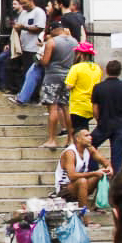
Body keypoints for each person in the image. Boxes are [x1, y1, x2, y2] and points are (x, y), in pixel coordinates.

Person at [88, 60, 122, 175]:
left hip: (104, 124)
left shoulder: (98, 87)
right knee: (117, 159)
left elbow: (95, 109)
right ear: (120, 71)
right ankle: (115, 180)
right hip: (121, 125)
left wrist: (99, 120)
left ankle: (95, 171)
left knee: (89, 146)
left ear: (106, 71)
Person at [37, 20, 78, 148]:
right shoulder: (74, 41)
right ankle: (71, 139)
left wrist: (39, 58)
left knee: (53, 108)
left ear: (53, 30)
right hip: (68, 76)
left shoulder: (52, 42)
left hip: (52, 76)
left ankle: (52, 140)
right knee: (66, 107)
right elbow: (76, 59)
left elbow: (45, 61)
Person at [56, 128, 109, 212]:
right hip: (65, 189)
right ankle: (84, 215)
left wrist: (109, 168)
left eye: (90, 135)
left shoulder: (89, 149)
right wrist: (94, 173)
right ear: (78, 139)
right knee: (82, 181)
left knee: (103, 173)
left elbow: (105, 162)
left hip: (81, 185)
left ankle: (96, 206)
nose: (90, 137)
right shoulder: (70, 153)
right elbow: (72, 176)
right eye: (86, 136)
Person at [64, 43, 102, 139]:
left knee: (78, 131)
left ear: (81, 54)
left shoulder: (76, 68)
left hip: (78, 105)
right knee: (84, 127)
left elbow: (69, 86)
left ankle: (83, 146)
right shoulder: (97, 68)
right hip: (91, 104)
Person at [10, 0, 47, 91]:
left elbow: (40, 28)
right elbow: (20, 26)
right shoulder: (23, 13)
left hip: (34, 48)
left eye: (24, 3)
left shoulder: (38, 12)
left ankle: (34, 94)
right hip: (24, 48)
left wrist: (24, 27)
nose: (23, 6)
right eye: (21, 3)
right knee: (25, 72)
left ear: (31, 0)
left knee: (34, 73)